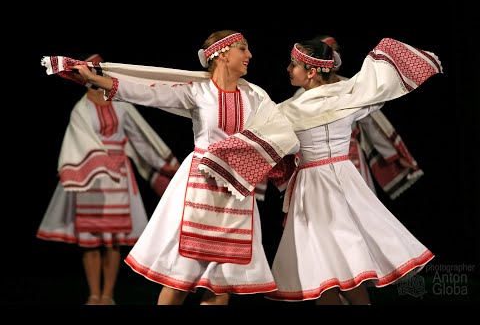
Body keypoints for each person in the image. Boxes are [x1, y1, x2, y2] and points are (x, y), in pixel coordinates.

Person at [40, 31, 299, 305]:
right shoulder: (198, 92)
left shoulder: (255, 96)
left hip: (235, 194)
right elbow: (146, 92)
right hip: (199, 189)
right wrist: (94, 78)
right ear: (222, 54)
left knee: (221, 285)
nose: (249, 55)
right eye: (243, 49)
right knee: (180, 282)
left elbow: (280, 131)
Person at [264, 37, 442, 305]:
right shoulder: (348, 94)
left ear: (311, 72)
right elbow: (379, 85)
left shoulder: (286, 111)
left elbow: (264, 142)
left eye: (293, 65)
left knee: (326, 272)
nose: (288, 70)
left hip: (315, 189)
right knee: (341, 271)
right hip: (343, 181)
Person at [37, 54, 180, 305]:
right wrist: (102, 160)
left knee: (113, 241)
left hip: (118, 179)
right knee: (91, 240)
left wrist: (166, 165)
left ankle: (108, 295)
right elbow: (79, 141)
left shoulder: (121, 104)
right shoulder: (81, 108)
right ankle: (94, 294)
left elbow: (140, 138)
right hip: (92, 179)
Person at [298, 35, 424, 200]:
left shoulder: (350, 87)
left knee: (361, 206)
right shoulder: (302, 96)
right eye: (331, 52)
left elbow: (370, 125)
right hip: (318, 164)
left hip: (351, 158)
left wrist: (393, 155)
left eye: (337, 51)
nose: (336, 56)